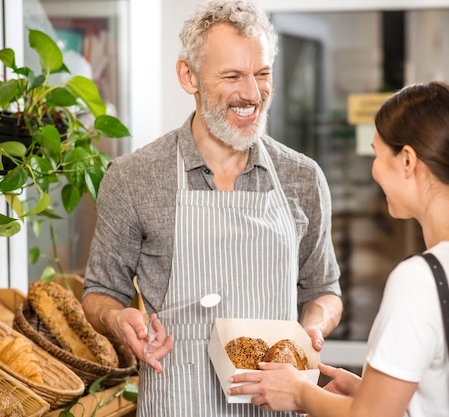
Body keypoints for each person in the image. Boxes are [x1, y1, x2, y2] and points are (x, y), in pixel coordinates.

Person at [81, 1, 343, 416]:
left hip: (277, 405)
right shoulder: (133, 177)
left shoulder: (302, 177)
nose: (252, 94)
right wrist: (119, 322)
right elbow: (101, 292)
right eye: (233, 76)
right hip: (178, 402)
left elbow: (324, 290)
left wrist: (313, 326)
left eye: (262, 74)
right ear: (189, 76)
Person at [229, 81, 449, 417]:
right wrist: (367, 392)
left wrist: (298, 391)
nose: (374, 170)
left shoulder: (420, 280)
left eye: (377, 154)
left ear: (408, 161)